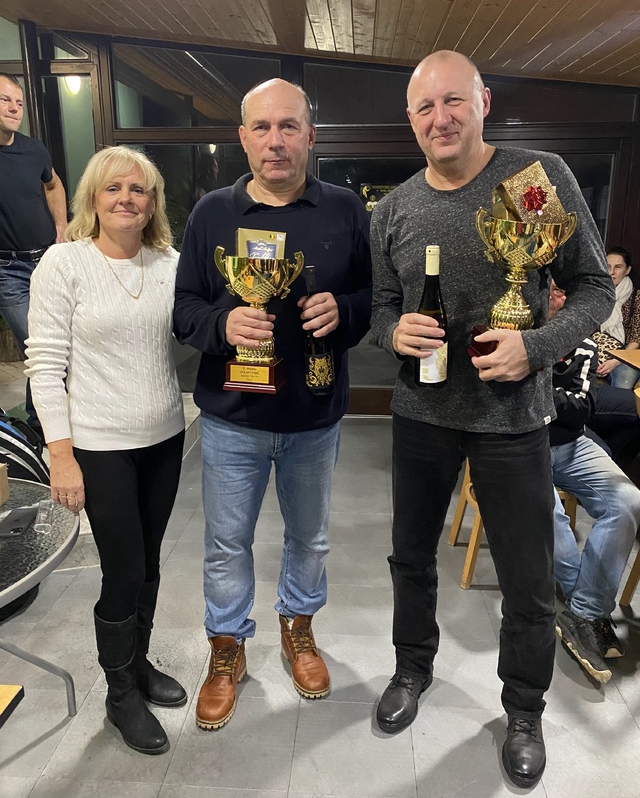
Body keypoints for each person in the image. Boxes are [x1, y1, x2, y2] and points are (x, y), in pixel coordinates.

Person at [370, 50, 614, 790]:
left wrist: (534, 347)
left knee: (528, 577)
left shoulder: (533, 181)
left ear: (483, 102)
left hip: (512, 418)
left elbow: (594, 288)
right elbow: (381, 307)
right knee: (410, 558)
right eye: (425, 107)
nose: (440, 118)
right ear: (410, 119)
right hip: (422, 414)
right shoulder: (395, 209)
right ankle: (412, 668)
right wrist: (392, 332)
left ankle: (524, 711)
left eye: (453, 101)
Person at [174, 78, 371, 731]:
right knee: (226, 543)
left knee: (310, 537)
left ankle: (298, 627)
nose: (276, 140)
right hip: (232, 419)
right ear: (243, 137)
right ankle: (227, 646)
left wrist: (343, 311)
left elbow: (375, 300)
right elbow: (184, 308)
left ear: (311, 135)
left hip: (314, 416)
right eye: (262, 127)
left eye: (289, 126)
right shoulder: (211, 213)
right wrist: (222, 325)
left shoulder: (345, 209)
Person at [24, 146, 186, 755]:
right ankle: (120, 696)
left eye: (139, 189)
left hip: (165, 437)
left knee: (150, 562)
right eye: (113, 187)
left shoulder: (170, 263)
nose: (126, 198)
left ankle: (138, 665)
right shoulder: (64, 263)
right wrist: (60, 454)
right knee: (123, 570)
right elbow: (45, 365)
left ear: (153, 202)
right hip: (97, 444)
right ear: (92, 197)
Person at [548, 282, 640, 683]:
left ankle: (582, 613)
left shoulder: (581, 341)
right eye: (549, 288)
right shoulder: (511, 330)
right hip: (517, 445)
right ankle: (587, 611)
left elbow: (579, 410)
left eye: (562, 291)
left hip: (571, 442)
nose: (556, 297)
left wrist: (533, 388)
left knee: (628, 501)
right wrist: (554, 394)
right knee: (548, 514)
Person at [0, 72, 67, 432]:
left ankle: (39, 419)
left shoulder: (33, 149)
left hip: (45, 260)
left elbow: (53, 184)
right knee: (38, 346)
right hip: (7, 270)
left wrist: (62, 227)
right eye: (4, 100)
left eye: (19, 102)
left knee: (53, 345)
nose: (14, 108)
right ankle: (44, 427)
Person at [593, 247, 640, 388]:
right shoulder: (593, 292)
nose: (611, 272)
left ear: (628, 270)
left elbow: (636, 338)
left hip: (625, 354)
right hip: (593, 349)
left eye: (618, 267)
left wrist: (616, 361)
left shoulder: (636, 297)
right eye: (608, 266)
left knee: (625, 380)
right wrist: (592, 356)